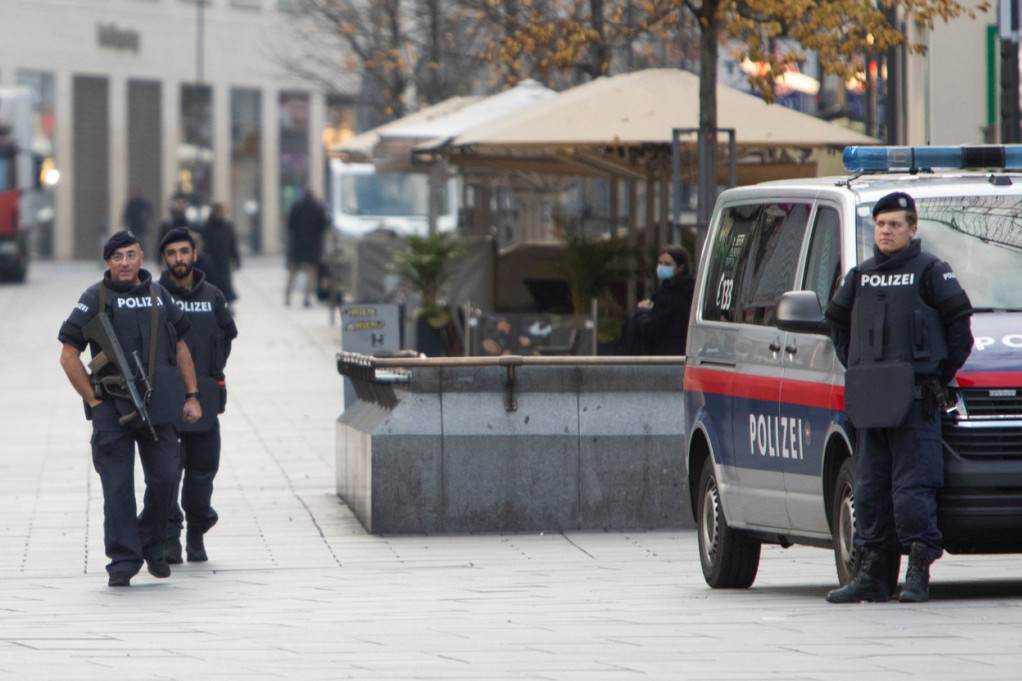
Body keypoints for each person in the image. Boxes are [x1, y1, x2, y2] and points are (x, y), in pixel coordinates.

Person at [824, 191, 973, 604]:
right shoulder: (861, 275)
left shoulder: (930, 271)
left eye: (894, 224)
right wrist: (859, 369)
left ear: (912, 228)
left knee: (913, 488)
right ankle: (871, 573)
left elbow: (960, 331)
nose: (886, 231)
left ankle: (918, 572)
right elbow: (836, 325)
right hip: (872, 401)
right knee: (870, 487)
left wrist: (935, 377)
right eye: (880, 224)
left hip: (914, 400)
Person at [58, 230, 203, 587]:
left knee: (166, 477)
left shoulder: (159, 294)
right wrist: (94, 399)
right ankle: (124, 559)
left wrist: (192, 395)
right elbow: (68, 354)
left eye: (132, 255)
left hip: (159, 404)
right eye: (118, 257)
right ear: (108, 262)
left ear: (141, 257)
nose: (126, 263)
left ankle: (152, 545)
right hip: (112, 406)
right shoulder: (94, 298)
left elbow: (181, 347)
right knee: (117, 487)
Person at [158, 228, 238, 564]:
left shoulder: (213, 296)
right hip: (166, 399)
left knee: (203, 471)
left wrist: (212, 374)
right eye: (172, 253)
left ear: (195, 253)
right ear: (164, 258)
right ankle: (171, 538)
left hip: (205, 396)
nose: (179, 259)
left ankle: (196, 531)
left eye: (184, 252)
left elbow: (228, 335)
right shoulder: (155, 296)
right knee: (167, 474)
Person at [624, 246, 695, 355]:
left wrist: (643, 311)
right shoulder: (692, 289)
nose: (662, 267)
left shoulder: (669, 294)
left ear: (680, 267)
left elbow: (651, 326)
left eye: (667, 264)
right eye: (660, 263)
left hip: (665, 353)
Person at [285, 187, 328, 307]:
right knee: (311, 274)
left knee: (292, 273)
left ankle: (287, 297)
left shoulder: (296, 206)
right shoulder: (317, 208)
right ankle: (306, 298)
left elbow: (290, 225)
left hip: (297, 245)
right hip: (312, 246)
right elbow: (323, 226)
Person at [200, 202, 241, 305]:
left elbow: (233, 244)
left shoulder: (228, 226)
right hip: (211, 262)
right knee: (212, 284)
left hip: (224, 262)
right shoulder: (207, 227)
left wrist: (236, 260)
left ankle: (227, 305)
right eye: (220, 211)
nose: (222, 214)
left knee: (226, 285)